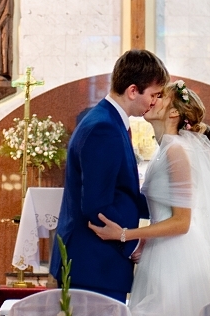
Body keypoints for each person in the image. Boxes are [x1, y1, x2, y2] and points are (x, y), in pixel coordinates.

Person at [89, 81, 210, 316]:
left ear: (175, 112)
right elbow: (166, 212)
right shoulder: (166, 148)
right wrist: (146, 239)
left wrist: (126, 234)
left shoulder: (177, 150)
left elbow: (182, 221)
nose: (153, 100)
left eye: (161, 96)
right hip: (162, 253)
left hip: (178, 258)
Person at [49, 49, 166, 300]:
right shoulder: (104, 127)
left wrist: (168, 208)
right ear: (133, 91)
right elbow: (96, 205)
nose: (155, 102)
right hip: (92, 263)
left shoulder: (109, 120)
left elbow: (119, 190)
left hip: (97, 263)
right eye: (154, 95)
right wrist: (132, 244)